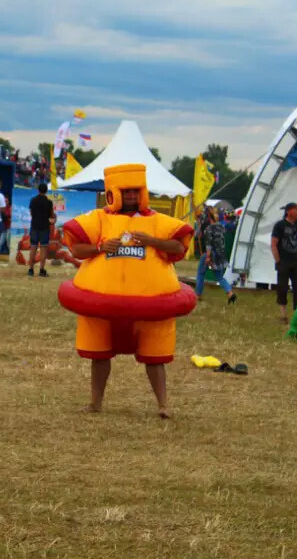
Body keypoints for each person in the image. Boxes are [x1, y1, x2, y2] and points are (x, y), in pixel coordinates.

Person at [58, 164, 196, 419]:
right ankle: (95, 403)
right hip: (102, 302)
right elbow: (76, 250)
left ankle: (163, 405)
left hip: (150, 304)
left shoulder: (156, 221)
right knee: (99, 356)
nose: (131, 196)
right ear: (114, 192)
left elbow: (178, 247)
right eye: (126, 191)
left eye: (135, 191)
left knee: (155, 358)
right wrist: (101, 247)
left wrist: (152, 241)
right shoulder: (98, 219)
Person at [271, 202, 297, 324]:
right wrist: (278, 261)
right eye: (296, 210)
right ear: (288, 211)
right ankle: (283, 315)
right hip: (284, 261)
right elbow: (274, 244)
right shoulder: (280, 225)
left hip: (296, 261)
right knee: (282, 288)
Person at [196, 206, 237, 304]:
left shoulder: (209, 229)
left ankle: (198, 295)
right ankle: (230, 293)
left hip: (210, 254)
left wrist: (208, 257)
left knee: (200, 273)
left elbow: (209, 244)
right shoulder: (221, 227)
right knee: (220, 277)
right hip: (220, 255)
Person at [27, 183, 54, 277]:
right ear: (46, 191)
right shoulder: (49, 202)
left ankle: (30, 270)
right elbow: (51, 216)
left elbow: (31, 213)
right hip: (44, 228)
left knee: (33, 248)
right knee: (43, 249)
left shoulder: (33, 200)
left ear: (38, 190)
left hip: (34, 227)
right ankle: (41, 270)